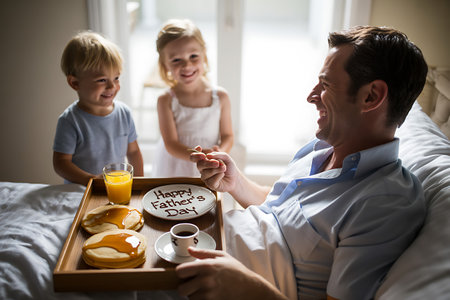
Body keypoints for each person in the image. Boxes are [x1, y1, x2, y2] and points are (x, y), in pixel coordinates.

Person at [179, 26, 428, 300]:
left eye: (327, 85)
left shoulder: (386, 201)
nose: (311, 96)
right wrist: (235, 181)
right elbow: (278, 210)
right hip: (200, 250)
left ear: (370, 96)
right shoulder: (320, 147)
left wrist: (244, 286)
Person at [53, 31, 144, 185]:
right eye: (102, 80)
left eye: (116, 78)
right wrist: (93, 181)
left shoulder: (124, 113)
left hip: (115, 188)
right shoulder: (70, 121)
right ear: (75, 83)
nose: (112, 86)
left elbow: (133, 152)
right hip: (82, 191)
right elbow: (61, 163)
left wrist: (140, 184)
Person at [151, 19, 234, 177]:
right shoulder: (166, 100)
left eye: (193, 56)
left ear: (204, 55)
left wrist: (219, 152)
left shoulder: (221, 97)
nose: (187, 65)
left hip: (211, 164)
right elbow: (171, 144)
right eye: (176, 60)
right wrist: (196, 158)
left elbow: (228, 135)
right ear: (165, 64)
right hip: (175, 165)